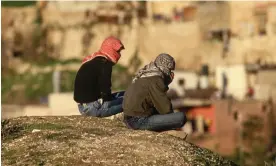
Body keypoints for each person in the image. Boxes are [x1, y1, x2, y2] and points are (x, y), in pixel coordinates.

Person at [123, 53, 186, 132]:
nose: (171, 73)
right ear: (166, 68)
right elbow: (166, 109)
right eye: (170, 70)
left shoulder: (146, 73)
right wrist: (166, 82)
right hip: (137, 122)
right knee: (181, 117)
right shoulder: (156, 80)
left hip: (128, 119)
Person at [74, 36, 125, 117]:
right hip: (94, 108)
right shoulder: (104, 63)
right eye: (117, 51)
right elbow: (105, 89)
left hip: (83, 107)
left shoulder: (94, 60)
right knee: (132, 102)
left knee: (126, 94)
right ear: (110, 49)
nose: (119, 54)